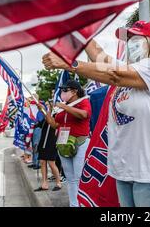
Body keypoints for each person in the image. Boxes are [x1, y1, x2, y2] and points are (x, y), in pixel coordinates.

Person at [42, 21, 150, 207]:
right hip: (124, 173)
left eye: (135, 38)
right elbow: (99, 57)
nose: (130, 43)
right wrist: (74, 26)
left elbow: (114, 75)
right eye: (128, 39)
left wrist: (70, 64)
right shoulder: (127, 68)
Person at [37, 79, 92, 207]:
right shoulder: (62, 106)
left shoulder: (83, 102)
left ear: (75, 91)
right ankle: (74, 204)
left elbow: (84, 115)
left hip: (80, 143)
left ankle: (82, 204)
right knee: (70, 178)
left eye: (65, 90)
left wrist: (64, 107)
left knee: (79, 177)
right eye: (62, 90)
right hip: (63, 144)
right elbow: (55, 124)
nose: (62, 93)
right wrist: (46, 111)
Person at [35, 100, 62, 192]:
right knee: (42, 161)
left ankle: (58, 182)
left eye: (48, 104)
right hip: (43, 140)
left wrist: (44, 110)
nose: (46, 106)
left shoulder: (57, 114)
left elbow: (52, 122)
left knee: (51, 162)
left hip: (52, 140)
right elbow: (41, 123)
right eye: (46, 105)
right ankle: (44, 183)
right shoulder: (47, 114)